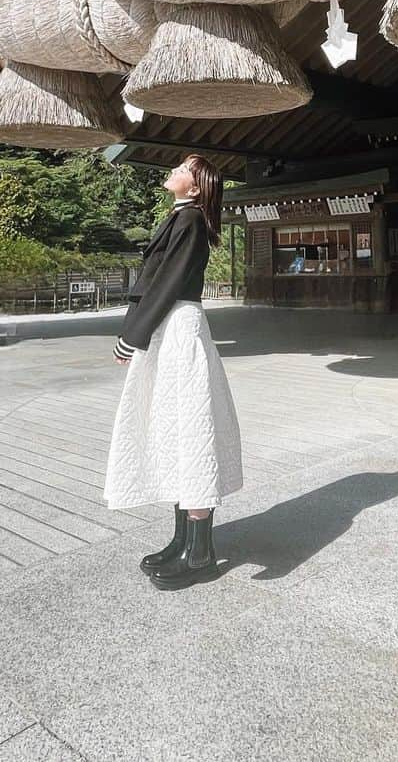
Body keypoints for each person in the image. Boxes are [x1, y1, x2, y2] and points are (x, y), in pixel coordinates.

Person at [104, 155, 243, 589]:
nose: (174, 169)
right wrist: (137, 330)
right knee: (176, 426)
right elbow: (157, 281)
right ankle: (184, 540)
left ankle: (199, 553)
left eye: (184, 167)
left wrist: (134, 334)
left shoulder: (191, 223)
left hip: (178, 326)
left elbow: (166, 283)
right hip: (170, 326)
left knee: (189, 425)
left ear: (196, 187)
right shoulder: (184, 219)